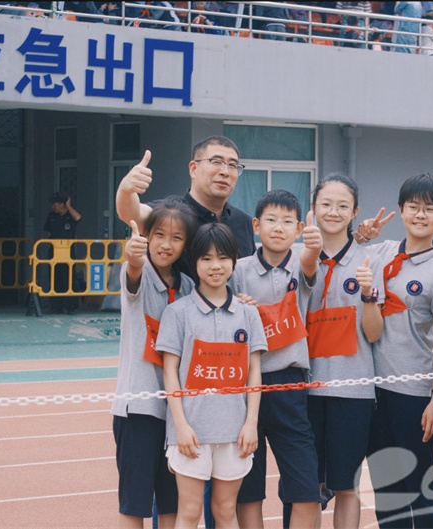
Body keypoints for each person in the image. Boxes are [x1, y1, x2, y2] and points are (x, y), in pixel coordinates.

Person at [157, 223, 265, 529]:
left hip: (235, 432)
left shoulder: (249, 313)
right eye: (206, 258)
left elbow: (254, 372)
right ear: (194, 263)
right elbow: (170, 372)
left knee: (226, 511)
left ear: (234, 261)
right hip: (191, 433)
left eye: (223, 257)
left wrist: (251, 424)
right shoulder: (177, 313)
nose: (215, 266)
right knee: (190, 512)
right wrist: (181, 427)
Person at [364, 173, 433, 529]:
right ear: (401, 209)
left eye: (430, 208)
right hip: (372, 389)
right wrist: (360, 236)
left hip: (412, 394)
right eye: (413, 206)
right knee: (387, 489)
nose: (420, 214)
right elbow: (342, 258)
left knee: (420, 487)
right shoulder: (381, 251)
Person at [232, 190, 323, 529]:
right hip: (244, 389)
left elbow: (310, 262)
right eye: (271, 220)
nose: (278, 227)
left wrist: (313, 246)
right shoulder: (237, 270)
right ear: (256, 226)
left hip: (290, 386)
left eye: (287, 221)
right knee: (248, 491)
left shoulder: (301, 264)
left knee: (305, 489)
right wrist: (236, 306)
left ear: (299, 229)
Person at [111, 198, 197, 529]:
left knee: (172, 503)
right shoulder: (140, 274)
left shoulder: (190, 288)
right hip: (138, 410)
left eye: (177, 238)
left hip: (177, 416)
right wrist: (133, 259)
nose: (166, 244)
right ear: (147, 236)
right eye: (159, 235)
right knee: (135, 503)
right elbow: (133, 272)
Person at [306, 173, 384, 529]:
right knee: (306, 486)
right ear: (313, 208)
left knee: (346, 486)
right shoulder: (297, 258)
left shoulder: (369, 260)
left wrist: (368, 296)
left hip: (353, 390)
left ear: (354, 212)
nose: (333, 212)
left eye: (342, 206)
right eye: (326, 204)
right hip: (304, 389)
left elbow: (374, 333)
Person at [116, 136, 256, 269]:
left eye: (232, 165)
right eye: (216, 162)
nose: (225, 172)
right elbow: (131, 214)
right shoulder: (168, 214)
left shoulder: (244, 222)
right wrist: (126, 190)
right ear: (193, 169)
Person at [44, 191, 82, 314]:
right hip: (54, 251)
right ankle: (56, 306)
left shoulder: (70, 216)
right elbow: (48, 233)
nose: (53, 206)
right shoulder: (51, 216)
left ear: (62, 204)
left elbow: (77, 217)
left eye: (55, 203)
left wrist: (69, 206)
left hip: (68, 253)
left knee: (69, 278)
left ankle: (70, 306)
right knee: (55, 279)